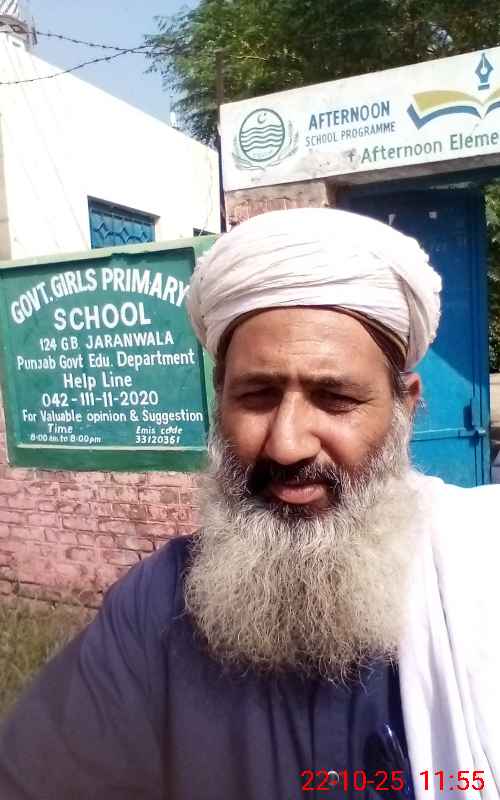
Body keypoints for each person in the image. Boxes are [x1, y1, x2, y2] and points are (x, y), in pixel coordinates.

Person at [0, 207, 498, 800]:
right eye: (257, 395)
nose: (287, 444)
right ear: (220, 402)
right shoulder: (158, 606)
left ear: (405, 408)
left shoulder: (480, 566)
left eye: (335, 398)